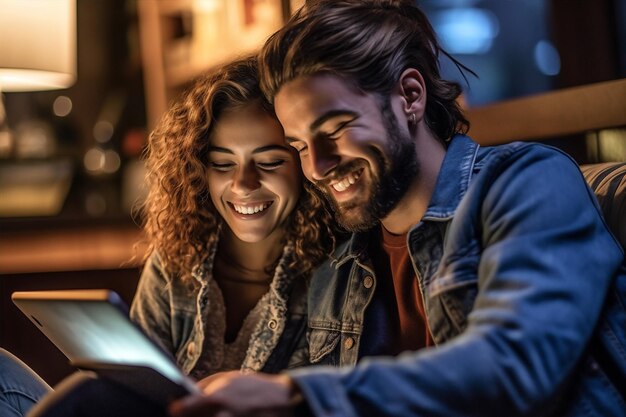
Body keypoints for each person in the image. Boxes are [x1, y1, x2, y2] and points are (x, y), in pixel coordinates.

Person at [168, 1, 626, 416]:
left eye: (337, 127)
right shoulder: (341, 263)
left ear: (410, 96)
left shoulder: (527, 182)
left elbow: (515, 366)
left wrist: (296, 394)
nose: (319, 166)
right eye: (299, 145)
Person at [0, 55, 335, 417]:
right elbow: (133, 393)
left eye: (269, 162)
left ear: (304, 163)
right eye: (223, 164)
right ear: (200, 170)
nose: (243, 184)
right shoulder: (177, 257)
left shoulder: (334, 273)